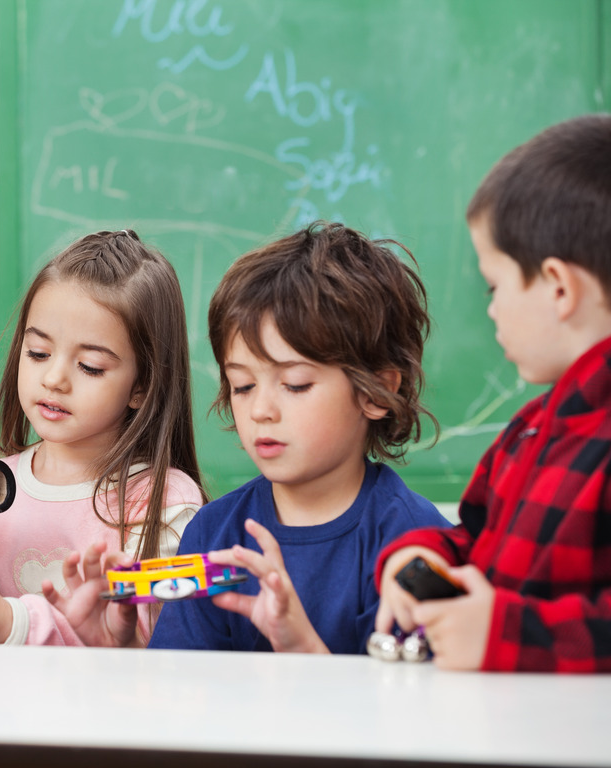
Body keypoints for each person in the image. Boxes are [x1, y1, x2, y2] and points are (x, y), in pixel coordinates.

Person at [374, 114, 611, 672]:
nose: (492, 309)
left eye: (495, 285)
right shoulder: (529, 432)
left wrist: (508, 633)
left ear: (559, 287)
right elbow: (474, 539)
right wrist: (420, 557)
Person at [146, 221, 450, 654]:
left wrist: (302, 647)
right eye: (243, 386)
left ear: (376, 392)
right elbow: (180, 695)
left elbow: (407, 712)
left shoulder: (415, 545)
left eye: (296, 384)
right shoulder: (211, 535)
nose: (260, 410)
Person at [0, 229, 206, 645]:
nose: (53, 379)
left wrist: (10, 622)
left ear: (142, 386)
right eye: (38, 354)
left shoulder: (166, 504)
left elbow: (149, 637)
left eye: (89, 366)